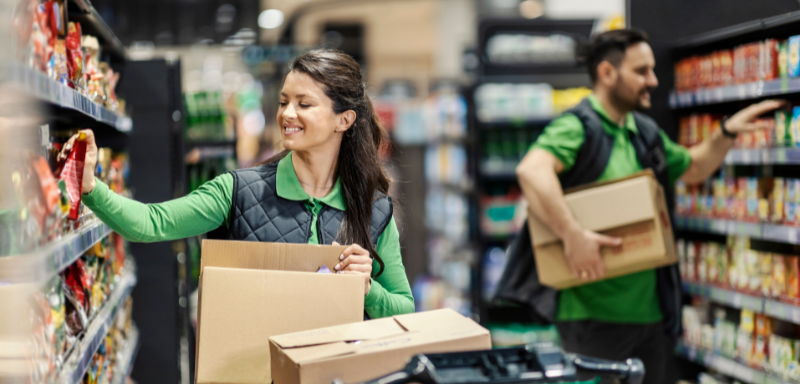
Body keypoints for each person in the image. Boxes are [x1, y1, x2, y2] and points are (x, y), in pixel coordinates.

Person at [62, 49, 415, 319]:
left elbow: (403, 310)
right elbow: (151, 223)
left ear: (344, 119)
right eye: (284, 102)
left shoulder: (373, 208)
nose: (287, 114)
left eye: (304, 104)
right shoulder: (238, 192)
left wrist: (366, 288)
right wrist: (91, 187)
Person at [516, 29, 782, 383]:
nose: (653, 81)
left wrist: (726, 131)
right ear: (608, 74)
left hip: (651, 317)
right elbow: (532, 169)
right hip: (593, 318)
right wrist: (572, 234)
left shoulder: (643, 132)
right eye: (641, 71)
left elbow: (694, 167)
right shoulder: (578, 128)